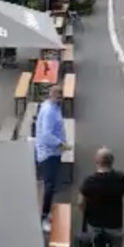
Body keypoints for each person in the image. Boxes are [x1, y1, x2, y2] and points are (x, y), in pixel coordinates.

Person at [79, 147, 124, 247]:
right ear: (112, 161)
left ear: (96, 161)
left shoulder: (89, 182)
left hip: (94, 225)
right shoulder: (121, 179)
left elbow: (81, 203)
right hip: (115, 225)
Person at [35, 85, 71, 232]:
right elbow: (46, 135)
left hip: (53, 153)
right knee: (49, 186)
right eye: (57, 94)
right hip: (49, 154)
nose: (60, 96)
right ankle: (43, 217)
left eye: (61, 94)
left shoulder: (52, 107)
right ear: (51, 94)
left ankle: (46, 212)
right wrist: (61, 145)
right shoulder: (50, 111)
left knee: (51, 185)